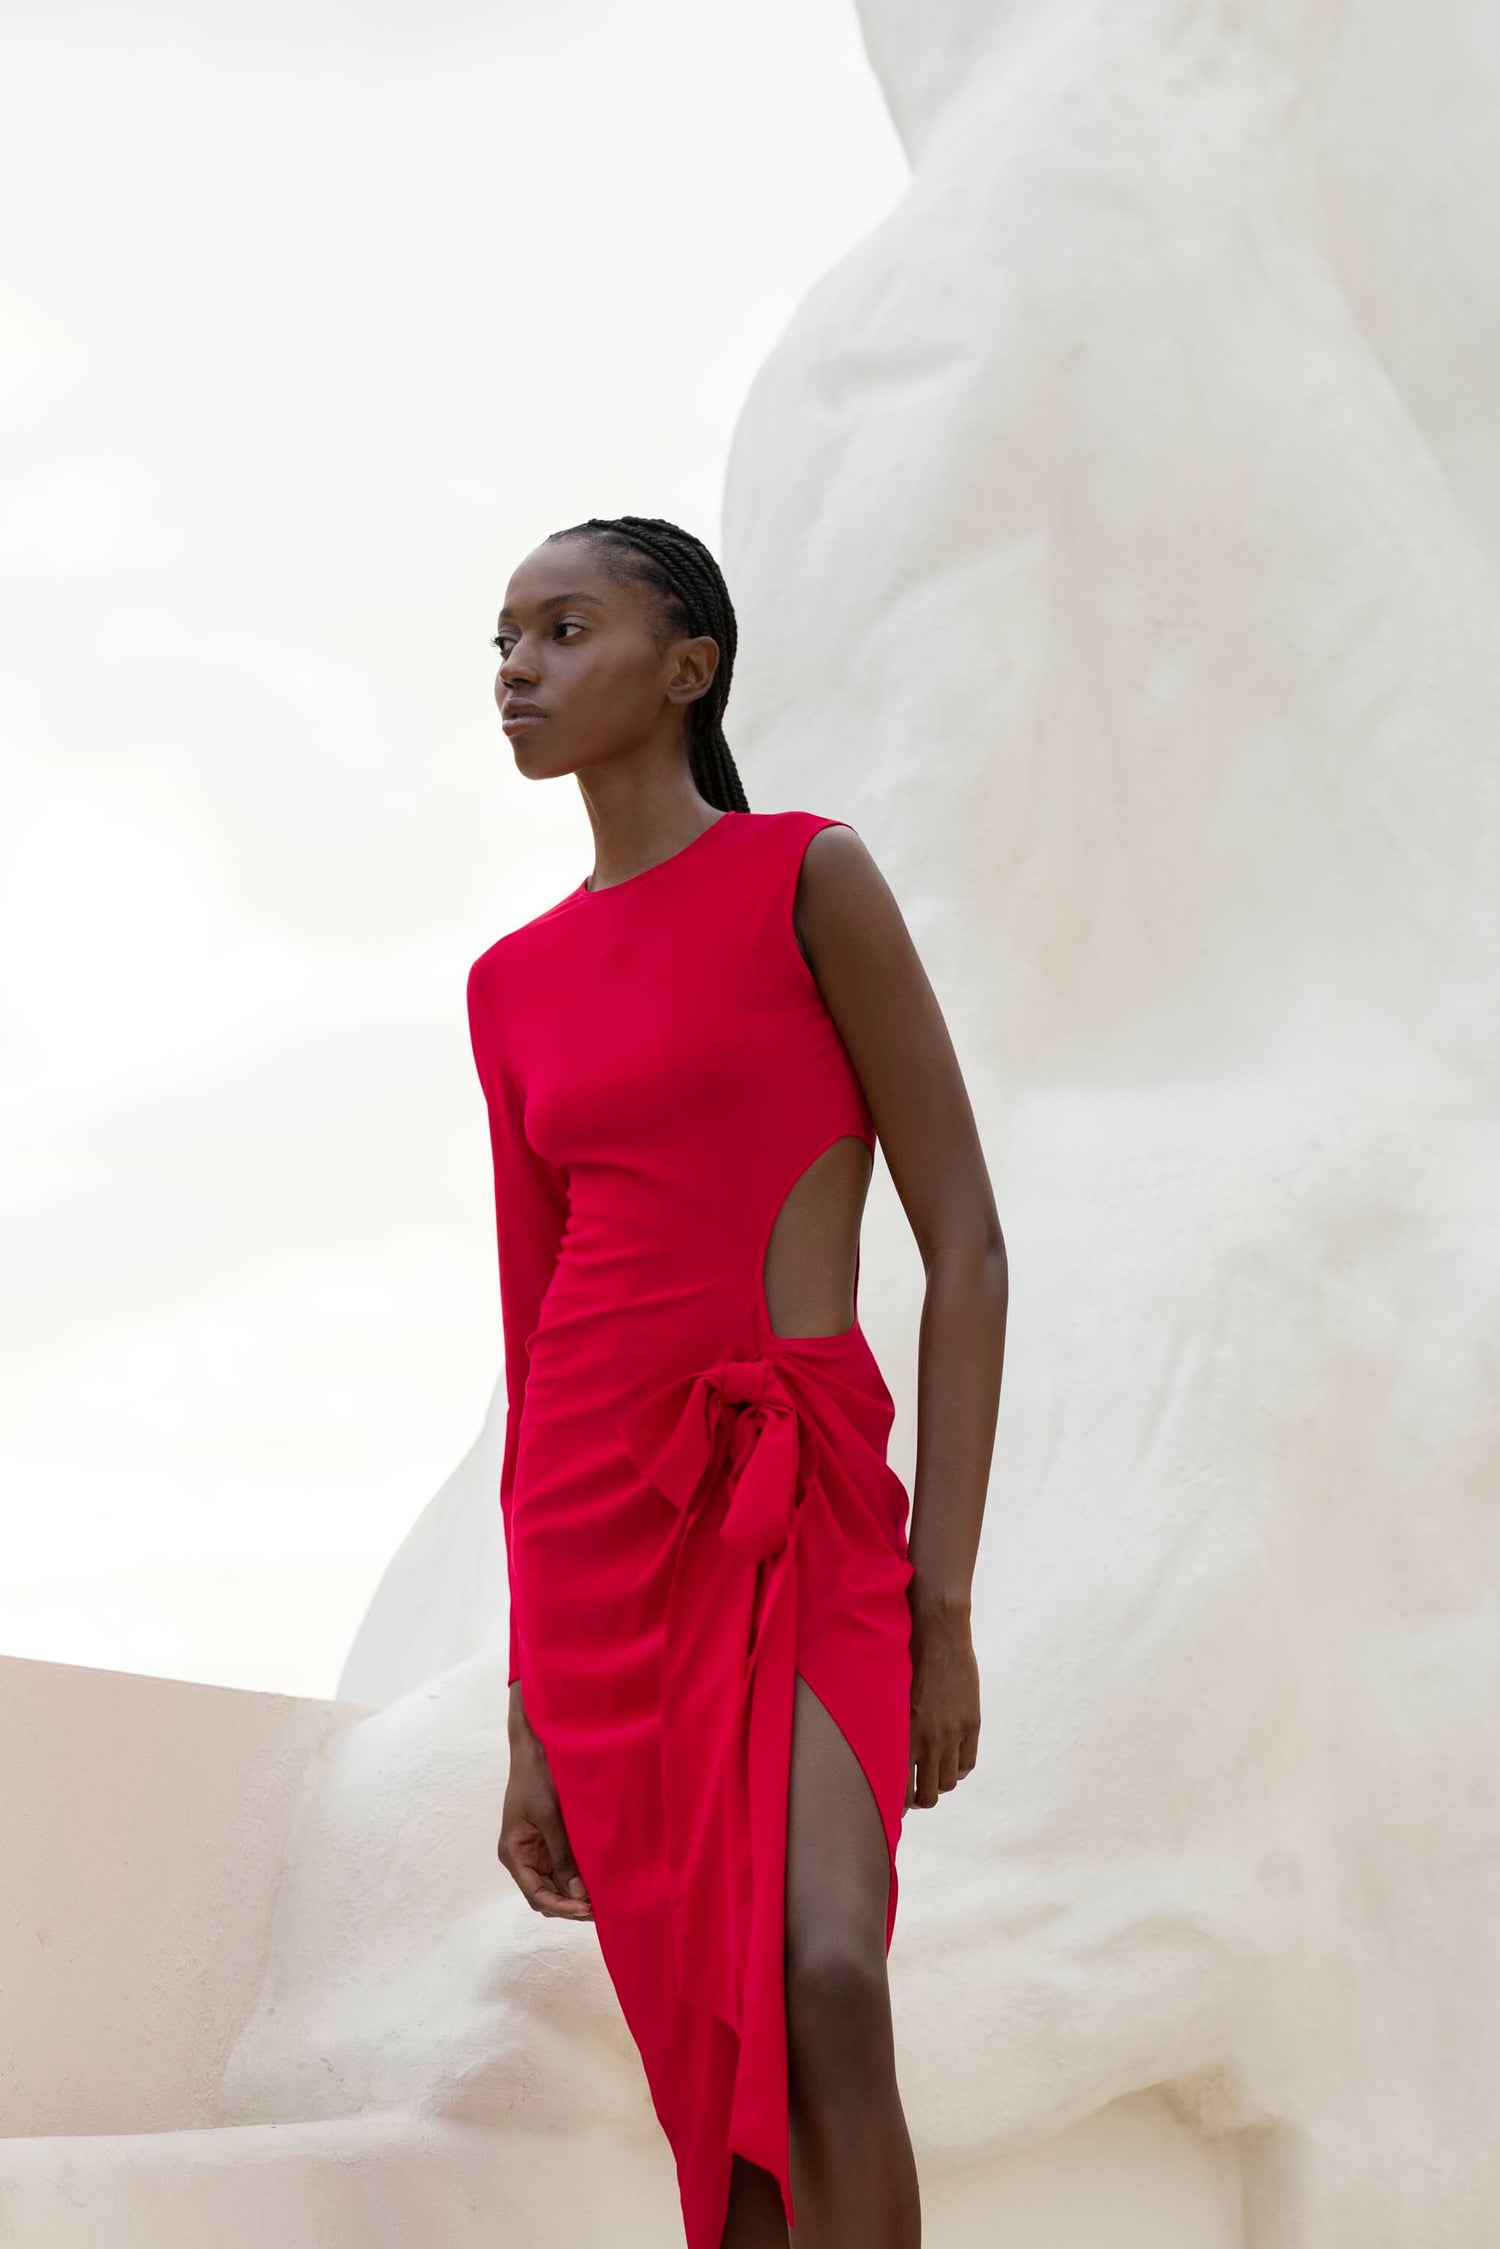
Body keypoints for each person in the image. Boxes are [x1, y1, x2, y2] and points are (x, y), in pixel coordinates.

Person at [466, 513, 1007, 2249]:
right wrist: (528, 1702)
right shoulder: (511, 984)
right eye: (504, 642)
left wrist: (945, 1601)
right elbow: (530, 1324)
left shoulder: (809, 877)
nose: (518, 672)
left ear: (687, 665)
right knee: (720, 2061)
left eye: (564, 629)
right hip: (596, 1543)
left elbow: (968, 1240)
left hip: (803, 1502)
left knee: (827, 1974)